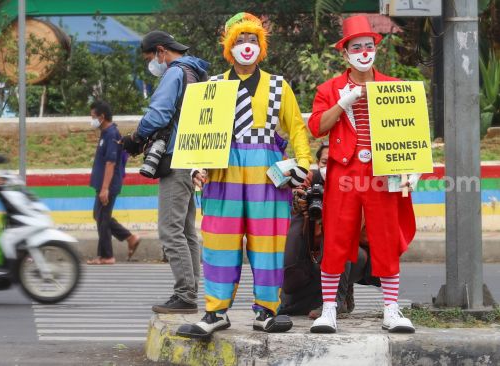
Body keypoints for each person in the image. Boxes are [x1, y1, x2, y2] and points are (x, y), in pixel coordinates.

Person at [176, 12, 312, 340]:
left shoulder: (279, 85)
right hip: (223, 171)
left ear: (261, 46)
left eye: (253, 39)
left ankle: (266, 311)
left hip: (268, 174)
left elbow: (296, 127)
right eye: (240, 40)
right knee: (219, 241)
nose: (246, 46)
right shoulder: (213, 87)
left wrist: (304, 163)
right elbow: (199, 131)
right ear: (228, 47)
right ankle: (215, 311)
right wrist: (197, 166)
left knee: (269, 243)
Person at [307, 15, 416, 333]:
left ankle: (391, 311)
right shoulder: (329, 89)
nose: (364, 51)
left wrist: (412, 169)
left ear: (375, 49)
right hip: (344, 171)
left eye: (369, 45)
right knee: (337, 239)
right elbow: (316, 127)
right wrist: (343, 102)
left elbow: (409, 134)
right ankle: (329, 309)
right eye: (357, 46)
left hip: (382, 172)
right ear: (345, 52)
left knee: (386, 239)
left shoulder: (393, 88)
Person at [122, 30, 210, 314]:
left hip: (175, 157)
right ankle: (191, 290)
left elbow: (159, 114)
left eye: (151, 57)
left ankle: (185, 294)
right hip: (192, 154)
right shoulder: (196, 72)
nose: (153, 64)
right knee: (186, 230)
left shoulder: (174, 73)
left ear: (161, 51)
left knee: (170, 230)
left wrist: (135, 137)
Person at [279, 143, 380, 318]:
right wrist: (300, 199)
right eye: (325, 162)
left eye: (336, 163)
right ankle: (322, 297)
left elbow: (360, 228)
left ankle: (339, 299)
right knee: (291, 304)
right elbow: (299, 186)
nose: (330, 168)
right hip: (311, 257)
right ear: (318, 163)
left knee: (339, 237)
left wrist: (333, 213)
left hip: (351, 257)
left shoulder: (355, 184)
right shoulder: (313, 179)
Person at [87, 100, 141, 265]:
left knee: (102, 217)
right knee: (100, 215)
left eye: (93, 117)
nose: (92, 120)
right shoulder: (106, 133)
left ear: (102, 117)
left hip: (108, 184)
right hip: (104, 183)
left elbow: (111, 163)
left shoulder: (111, 134)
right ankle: (129, 237)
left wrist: (105, 189)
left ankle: (106, 256)